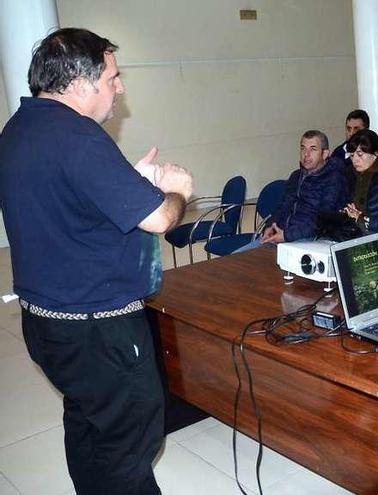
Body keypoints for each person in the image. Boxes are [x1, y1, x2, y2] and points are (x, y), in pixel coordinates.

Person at [0, 28, 194, 494]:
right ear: (79, 84)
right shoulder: (80, 137)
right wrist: (176, 191)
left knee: (88, 422)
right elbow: (159, 218)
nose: (119, 87)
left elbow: (70, 204)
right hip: (98, 331)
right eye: (112, 77)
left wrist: (129, 181)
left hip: (47, 324)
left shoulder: (20, 128)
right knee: (131, 444)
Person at [259, 130, 350, 244]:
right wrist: (270, 226)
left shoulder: (334, 179)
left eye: (313, 149)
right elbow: (282, 207)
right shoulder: (296, 176)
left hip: (307, 240)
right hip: (279, 235)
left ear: (325, 154)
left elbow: (322, 221)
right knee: (236, 258)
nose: (306, 154)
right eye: (303, 148)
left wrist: (287, 236)